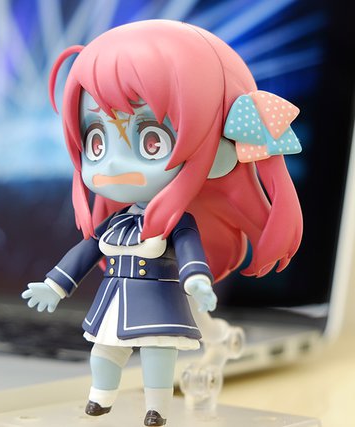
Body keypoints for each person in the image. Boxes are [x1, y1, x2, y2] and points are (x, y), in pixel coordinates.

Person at [21, 19, 303, 426]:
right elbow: (85, 252)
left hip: (160, 301)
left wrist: (197, 282)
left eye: (152, 140)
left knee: (157, 355)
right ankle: (100, 399)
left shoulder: (179, 223)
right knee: (104, 352)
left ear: (221, 149)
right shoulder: (116, 223)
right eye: (96, 142)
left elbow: (190, 253)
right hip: (115, 299)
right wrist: (54, 285)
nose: (112, 164)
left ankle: (156, 408)